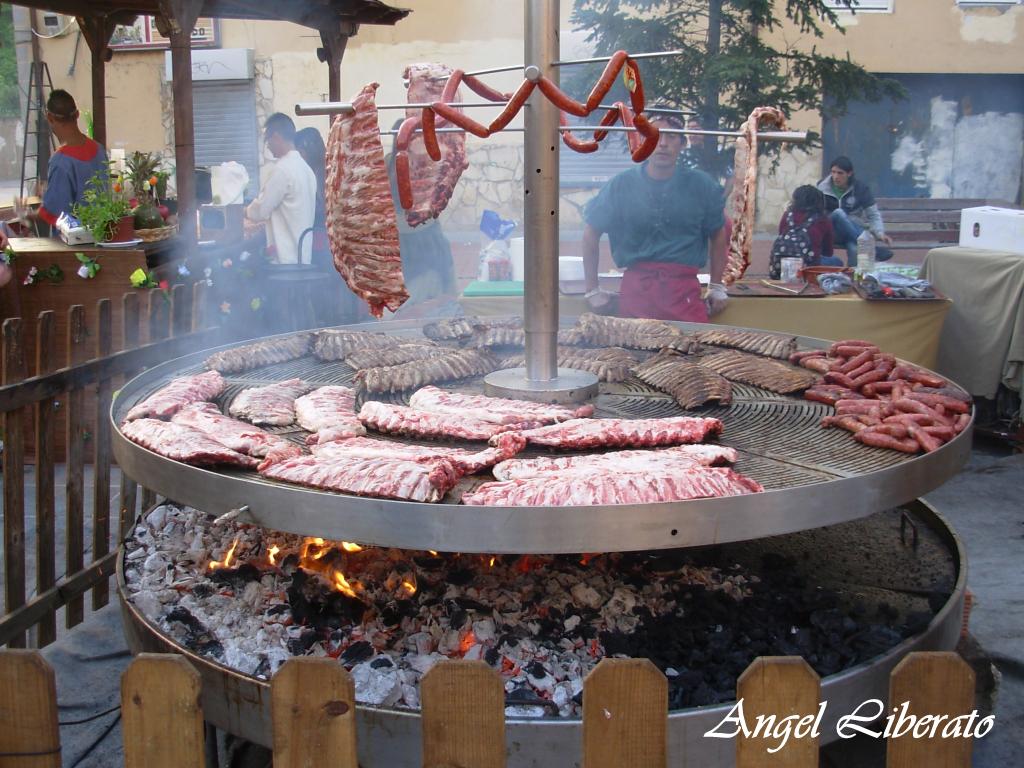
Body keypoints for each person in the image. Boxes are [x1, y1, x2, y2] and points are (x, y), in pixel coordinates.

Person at [582, 111, 728, 322]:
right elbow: (590, 234)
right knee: (632, 354)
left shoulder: (701, 185)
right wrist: (591, 290)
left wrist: (716, 286)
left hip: (684, 295)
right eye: (655, 136)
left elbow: (718, 234)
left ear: (682, 143)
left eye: (671, 137)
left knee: (690, 353)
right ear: (643, 141)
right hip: (637, 294)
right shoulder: (621, 185)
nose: (663, 144)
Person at [385, 119, 457, 310]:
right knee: (417, 293)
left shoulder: (419, 162)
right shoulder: (390, 162)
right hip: (406, 239)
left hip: (422, 236)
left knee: (433, 289)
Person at [31, 89, 109, 232]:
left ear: (49, 117)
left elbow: (55, 212)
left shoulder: (60, 161)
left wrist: (27, 215)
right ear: (77, 114)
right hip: (104, 235)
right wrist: (49, 192)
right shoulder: (99, 150)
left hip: (75, 244)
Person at [245, 113, 317, 265]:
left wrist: (244, 211)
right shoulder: (306, 169)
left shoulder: (282, 170)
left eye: (267, 140)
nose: (267, 146)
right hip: (303, 257)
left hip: (285, 261)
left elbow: (261, 210)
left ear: (276, 137)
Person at [817, 156, 893, 266]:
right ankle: (872, 248)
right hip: (830, 232)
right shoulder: (822, 187)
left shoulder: (860, 189)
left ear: (849, 173)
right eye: (833, 172)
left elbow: (873, 214)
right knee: (839, 213)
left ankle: (852, 279)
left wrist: (880, 233)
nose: (835, 177)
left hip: (851, 233)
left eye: (840, 173)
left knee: (855, 249)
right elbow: (815, 212)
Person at [769, 185, 842, 279]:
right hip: (809, 267)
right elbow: (828, 252)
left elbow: (781, 234)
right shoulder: (822, 220)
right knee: (837, 262)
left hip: (781, 266)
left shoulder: (787, 215)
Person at [294, 126, 328, 266]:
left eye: (299, 152)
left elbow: (322, 208)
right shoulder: (318, 170)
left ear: (305, 151)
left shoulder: (321, 173)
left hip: (322, 239)